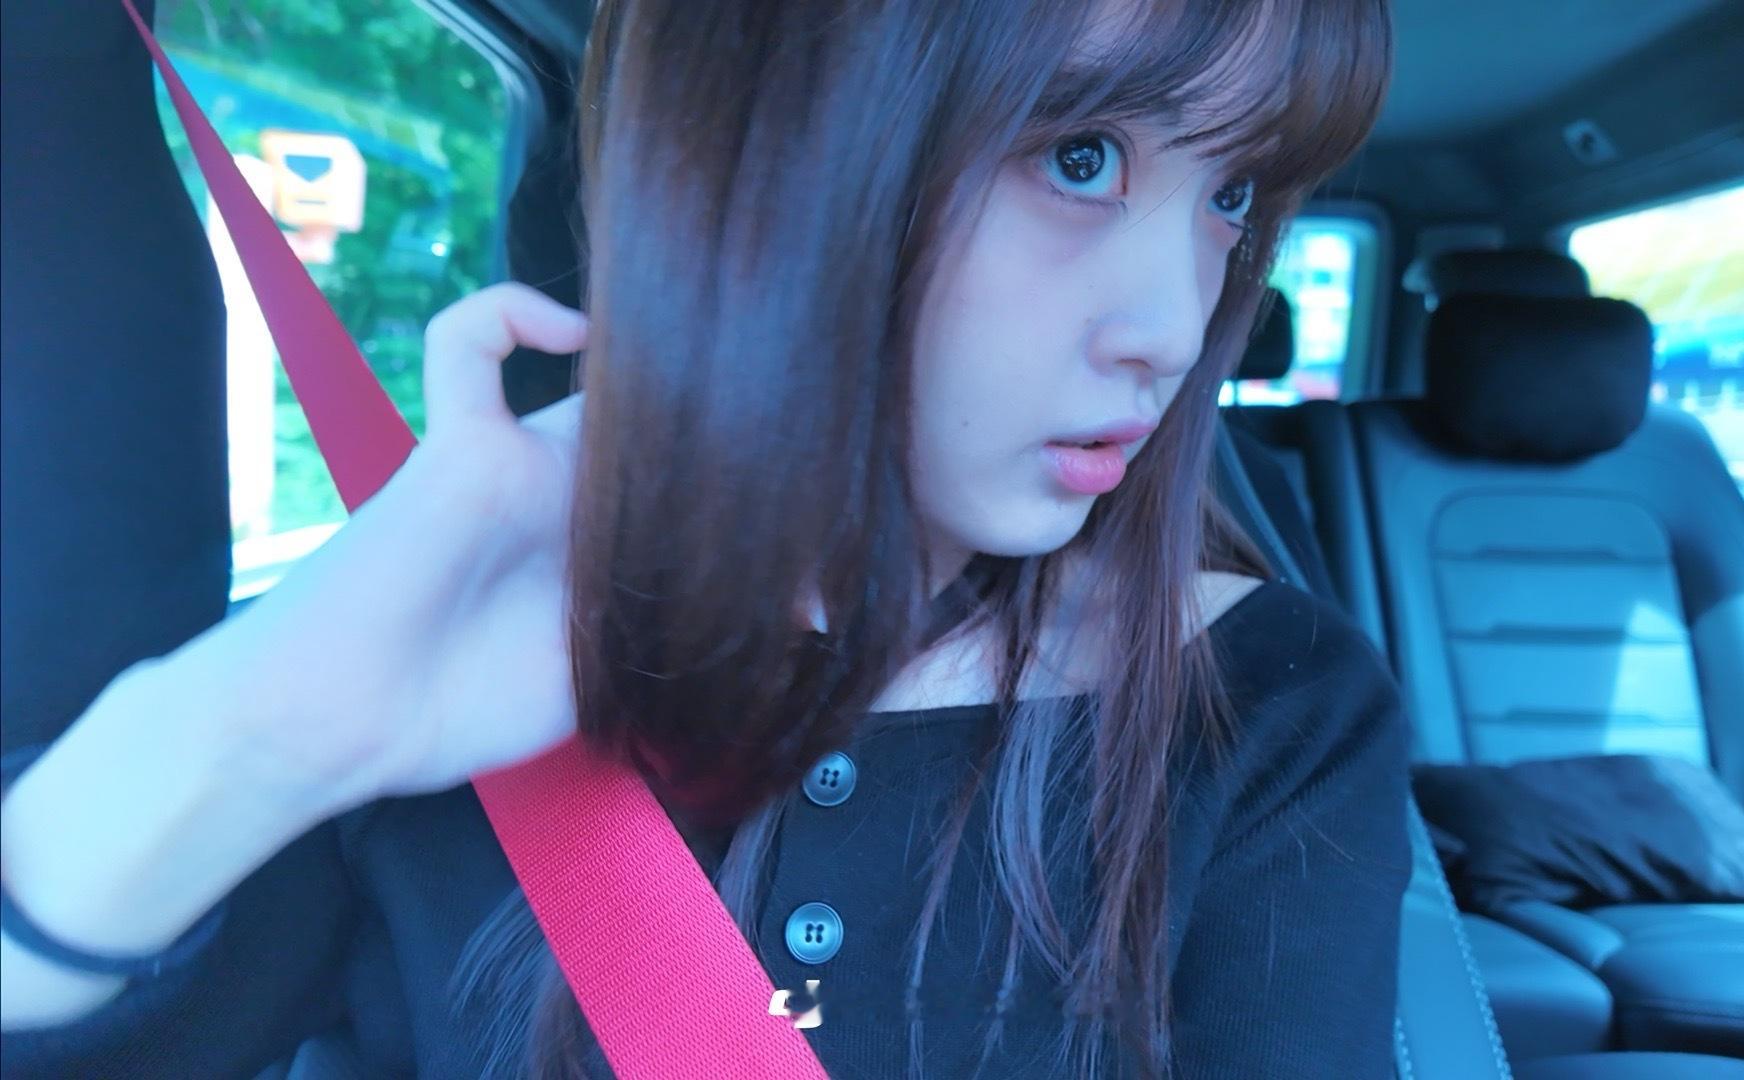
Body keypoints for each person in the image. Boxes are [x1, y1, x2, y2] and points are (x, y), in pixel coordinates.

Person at [0, 0, 1407, 1076]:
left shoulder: (1266, 703)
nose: (1175, 328)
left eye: (1233, 196)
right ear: (766, 167)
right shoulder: (448, 650)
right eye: (1079, 159)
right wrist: (257, 737)